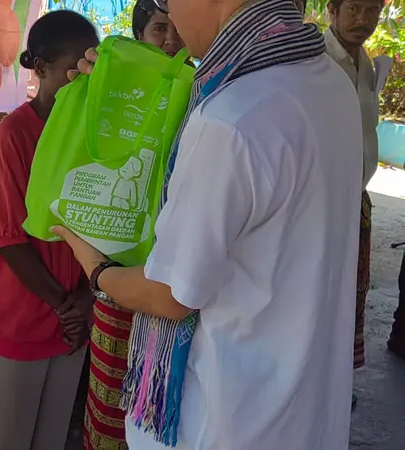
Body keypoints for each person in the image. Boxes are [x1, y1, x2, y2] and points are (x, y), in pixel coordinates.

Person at [58, 0, 362, 448]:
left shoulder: (228, 118)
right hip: (303, 412)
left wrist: (94, 266)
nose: (171, 16)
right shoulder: (329, 81)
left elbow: (171, 293)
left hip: (224, 420)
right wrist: (117, 94)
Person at [0, 10, 99, 450]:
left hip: (73, 314)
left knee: (50, 438)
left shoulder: (93, 136)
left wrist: (84, 300)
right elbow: (8, 239)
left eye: (92, 68)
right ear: (40, 69)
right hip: (20, 314)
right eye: (73, 70)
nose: (83, 78)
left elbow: (103, 225)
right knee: (6, 438)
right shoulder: (11, 136)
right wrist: (65, 305)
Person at [81, 2, 186, 450]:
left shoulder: (197, 88)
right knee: (108, 394)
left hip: (172, 271)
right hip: (118, 261)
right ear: (139, 35)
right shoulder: (113, 85)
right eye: (159, 28)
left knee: (158, 403)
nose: (170, 40)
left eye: (177, 29)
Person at [324, 0, 384, 405]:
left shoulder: (370, 65)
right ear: (332, 9)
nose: (363, 20)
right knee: (321, 294)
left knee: (350, 294)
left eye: (373, 10)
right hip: (322, 204)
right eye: (355, 9)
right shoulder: (314, 58)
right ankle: (319, 382)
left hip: (355, 202)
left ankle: (337, 381)